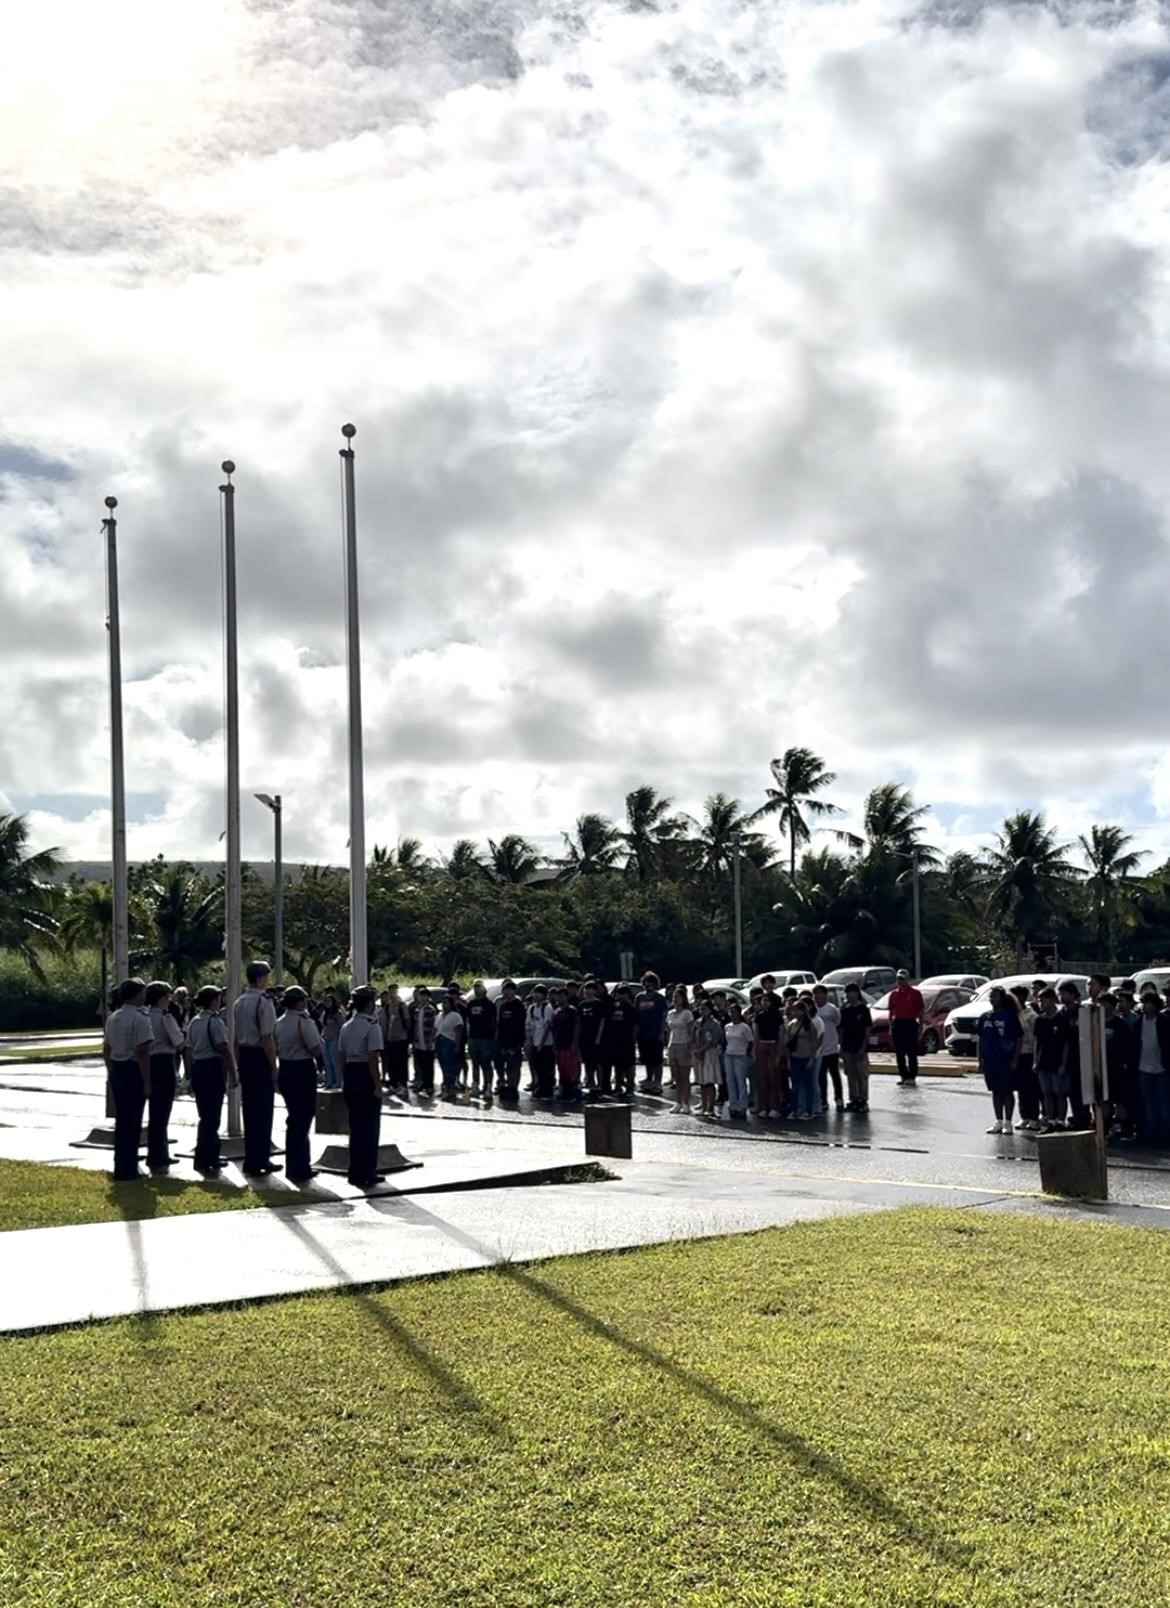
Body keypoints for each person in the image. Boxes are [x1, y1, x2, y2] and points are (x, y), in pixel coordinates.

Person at [103, 978, 154, 1181]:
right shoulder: (140, 1019)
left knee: (122, 1120)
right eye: (142, 993)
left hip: (117, 1069)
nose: (144, 996)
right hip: (133, 1069)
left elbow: (106, 1049)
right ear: (135, 995)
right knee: (133, 1122)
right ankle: (129, 1168)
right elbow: (142, 1052)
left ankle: (120, 1164)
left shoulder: (113, 1017)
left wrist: (111, 1070)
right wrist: (147, 1082)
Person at [232, 959, 279, 1176]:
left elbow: (236, 1037)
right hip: (260, 1055)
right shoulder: (264, 1002)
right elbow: (267, 1037)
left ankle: (252, 1158)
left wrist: (237, 1064)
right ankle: (261, 1158)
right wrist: (273, 1065)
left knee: (249, 1110)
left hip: (245, 1055)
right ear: (260, 979)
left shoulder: (239, 1002)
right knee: (263, 1110)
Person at [275, 986, 324, 1184]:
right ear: (300, 1002)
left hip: (285, 1069)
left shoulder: (279, 1022)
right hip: (302, 1069)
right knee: (303, 1118)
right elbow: (314, 1047)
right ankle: (300, 1166)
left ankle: (295, 1163)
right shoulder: (303, 1021)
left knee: (294, 1118)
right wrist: (322, 1064)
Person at [187, 984, 236, 1174]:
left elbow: (189, 1049)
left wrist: (191, 1073)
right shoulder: (215, 1022)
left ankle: (202, 1156)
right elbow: (224, 1048)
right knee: (212, 1117)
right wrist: (233, 1073)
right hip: (213, 1068)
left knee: (204, 1116)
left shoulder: (195, 1021)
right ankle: (210, 1157)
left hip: (199, 1068)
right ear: (214, 1001)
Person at [339, 984, 384, 1187]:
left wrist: (346, 1077)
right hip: (366, 1074)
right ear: (369, 1004)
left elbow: (341, 1055)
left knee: (355, 1127)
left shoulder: (346, 1026)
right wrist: (377, 1085)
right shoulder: (372, 1026)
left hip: (351, 1073)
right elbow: (373, 1059)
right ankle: (368, 1171)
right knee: (370, 1127)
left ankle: (354, 1170)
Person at [144, 981, 185, 1171]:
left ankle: (156, 1152)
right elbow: (178, 1041)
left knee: (154, 1111)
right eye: (168, 997)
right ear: (161, 998)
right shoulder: (165, 1018)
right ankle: (159, 1154)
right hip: (163, 1061)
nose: (170, 1000)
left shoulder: (143, 1016)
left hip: (148, 1062)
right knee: (162, 1111)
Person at [978, 986, 1021, 1134]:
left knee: (1007, 1091)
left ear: (1002, 998)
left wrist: (1015, 1059)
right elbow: (981, 1038)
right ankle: (998, 1120)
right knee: (995, 1091)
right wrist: (980, 1059)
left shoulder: (1010, 1016)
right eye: (991, 997)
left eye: (995, 996)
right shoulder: (985, 1017)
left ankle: (1008, 1122)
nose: (992, 999)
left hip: (1006, 1059)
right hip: (990, 1060)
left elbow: (1018, 1038)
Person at [1135, 990, 1170, 1144]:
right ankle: (1151, 1131)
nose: (1144, 1006)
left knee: (1163, 1102)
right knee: (1148, 1102)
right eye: (1143, 1003)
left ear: (1155, 1005)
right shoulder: (1138, 1023)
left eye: (1147, 1003)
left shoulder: (1164, 1022)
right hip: (1143, 1067)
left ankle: (1165, 1132)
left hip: (1161, 1067)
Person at [1033, 988, 1069, 1131]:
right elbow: (1037, 1042)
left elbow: (1067, 1043)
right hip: (1044, 1061)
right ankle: (1050, 1118)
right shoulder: (1040, 1020)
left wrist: (1063, 1064)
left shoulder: (1062, 1019)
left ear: (1053, 1000)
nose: (1041, 1003)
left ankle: (1061, 1119)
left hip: (1058, 1060)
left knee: (1060, 1092)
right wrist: (1035, 1061)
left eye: (1044, 1000)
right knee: (1046, 1091)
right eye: (1039, 1000)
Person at [1008, 985, 1041, 1132]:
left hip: (1029, 1054)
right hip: (1017, 1054)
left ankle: (1034, 1117)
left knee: (1031, 1088)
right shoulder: (1013, 1014)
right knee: (1021, 1088)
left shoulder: (1031, 1015)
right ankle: (1024, 1116)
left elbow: (1036, 1038)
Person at [1058, 982, 1091, 1130]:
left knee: (1082, 1091)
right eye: (1060, 994)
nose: (1061, 997)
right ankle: (1075, 1118)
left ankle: (1083, 1118)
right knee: (1069, 1091)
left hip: (1082, 1057)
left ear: (1073, 995)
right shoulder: (1061, 1013)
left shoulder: (1082, 1012)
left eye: (1064, 993)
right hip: (1066, 1058)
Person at [751, 977, 783, 1119]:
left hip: (773, 1045)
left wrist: (779, 1053)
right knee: (762, 1078)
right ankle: (765, 1106)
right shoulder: (759, 1017)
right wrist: (754, 1051)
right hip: (762, 1046)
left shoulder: (778, 1016)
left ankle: (774, 1106)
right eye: (762, 1000)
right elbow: (756, 1035)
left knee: (773, 1077)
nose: (764, 1003)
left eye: (766, 1000)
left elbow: (781, 1034)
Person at [787, 997, 823, 1120]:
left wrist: (812, 1058)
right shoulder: (792, 1024)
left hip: (806, 1057)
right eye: (794, 1010)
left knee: (808, 1085)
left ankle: (809, 1110)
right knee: (796, 1085)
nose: (795, 1013)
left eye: (798, 1010)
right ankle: (796, 1109)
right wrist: (788, 1060)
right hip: (795, 1057)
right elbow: (789, 1044)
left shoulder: (810, 1025)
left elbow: (813, 1042)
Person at [839, 983, 873, 1114]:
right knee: (850, 1074)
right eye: (847, 992)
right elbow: (841, 1029)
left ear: (857, 993)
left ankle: (863, 1100)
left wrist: (864, 1047)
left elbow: (867, 1029)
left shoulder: (863, 1009)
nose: (849, 995)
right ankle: (853, 1099)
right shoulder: (845, 1010)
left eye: (852, 992)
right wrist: (841, 1046)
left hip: (860, 1046)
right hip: (847, 1046)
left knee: (862, 1075)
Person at [888, 970, 924, 1087]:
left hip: (910, 1023)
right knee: (899, 1052)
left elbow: (920, 1010)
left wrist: (921, 1025)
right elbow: (891, 1011)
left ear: (907, 979)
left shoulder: (915, 993)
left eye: (902, 979)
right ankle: (903, 1075)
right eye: (898, 979)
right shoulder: (894, 994)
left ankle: (912, 1076)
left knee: (911, 1051)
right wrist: (890, 1025)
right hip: (898, 1023)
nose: (900, 981)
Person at [635, 973, 668, 1095]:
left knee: (657, 1059)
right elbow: (637, 1015)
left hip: (655, 1032)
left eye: (651, 983)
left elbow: (664, 1016)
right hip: (643, 1033)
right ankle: (649, 1079)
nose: (648, 985)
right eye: (646, 982)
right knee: (647, 1058)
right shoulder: (639, 997)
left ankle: (657, 1082)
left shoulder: (659, 998)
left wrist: (661, 1032)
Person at [465, 981, 498, 1100]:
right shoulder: (471, 1003)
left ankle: (488, 1086)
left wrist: (494, 1038)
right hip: (474, 1037)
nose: (476, 989)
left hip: (486, 1038)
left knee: (486, 1063)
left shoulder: (490, 1004)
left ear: (484, 989)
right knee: (475, 1063)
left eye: (479, 987)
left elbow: (494, 1022)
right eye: (474, 987)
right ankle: (475, 1085)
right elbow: (468, 1020)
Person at [495, 979, 527, 1102]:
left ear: (514, 991)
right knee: (505, 1066)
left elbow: (521, 1025)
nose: (507, 992)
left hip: (515, 1041)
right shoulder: (502, 1006)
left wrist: (520, 1041)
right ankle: (507, 1087)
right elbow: (500, 1024)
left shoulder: (519, 1006)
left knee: (514, 1066)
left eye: (509, 990)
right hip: (503, 1041)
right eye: (505, 990)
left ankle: (514, 1088)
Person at [813, 984, 843, 1112]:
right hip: (819, 1049)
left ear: (826, 995)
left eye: (821, 993)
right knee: (821, 1076)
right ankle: (823, 1100)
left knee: (835, 1074)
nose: (818, 996)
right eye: (816, 994)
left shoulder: (832, 1009)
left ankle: (839, 1098)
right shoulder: (813, 1010)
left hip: (831, 1047)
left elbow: (838, 1023)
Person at [666, 986, 695, 1114]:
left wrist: (691, 1046)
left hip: (684, 1044)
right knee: (676, 1077)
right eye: (674, 998)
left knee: (685, 1077)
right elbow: (668, 1030)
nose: (675, 1000)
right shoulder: (670, 1013)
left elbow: (691, 1031)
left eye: (677, 997)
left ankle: (686, 1103)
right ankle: (678, 1102)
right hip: (673, 1044)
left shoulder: (687, 1013)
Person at [693, 999, 725, 1118]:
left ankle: (710, 1107)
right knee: (702, 1082)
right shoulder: (697, 1022)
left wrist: (700, 1050)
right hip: (699, 1054)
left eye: (705, 1009)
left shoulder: (714, 1024)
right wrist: (696, 1050)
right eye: (700, 1009)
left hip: (709, 1054)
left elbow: (712, 1041)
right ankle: (704, 1106)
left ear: (710, 1010)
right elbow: (693, 1037)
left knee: (709, 1082)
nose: (702, 1011)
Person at [377, 985, 410, 1096]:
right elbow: (385, 1023)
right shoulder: (387, 1007)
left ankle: (403, 1085)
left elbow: (407, 1021)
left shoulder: (402, 1006)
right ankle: (393, 1084)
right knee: (391, 1063)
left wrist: (407, 1037)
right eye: (390, 992)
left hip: (401, 1038)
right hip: (390, 1039)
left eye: (394, 992)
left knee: (402, 1063)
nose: (392, 995)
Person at [525, 985, 556, 1100]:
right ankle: (540, 1087)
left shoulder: (547, 1008)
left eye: (538, 993)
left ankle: (547, 1090)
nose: (536, 995)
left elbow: (547, 1026)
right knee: (537, 1067)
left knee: (546, 1068)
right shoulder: (532, 1008)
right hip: (534, 1042)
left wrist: (541, 1043)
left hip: (546, 1043)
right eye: (534, 993)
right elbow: (528, 1025)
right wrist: (529, 1040)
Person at [723, 1001, 753, 1119]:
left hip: (740, 1055)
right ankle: (733, 1105)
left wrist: (746, 1052)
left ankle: (742, 1106)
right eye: (730, 1012)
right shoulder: (727, 1026)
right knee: (730, 1081)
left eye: (734, 1012)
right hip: (729, 1055)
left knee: (741, 1082)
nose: (731, 1014)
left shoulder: (744, 1027)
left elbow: (750, 1041)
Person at [608, 985, 638, 1099]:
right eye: (619, 994)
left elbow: (636, 1025)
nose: (621, 996)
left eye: (623, 994)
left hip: (627, 1040)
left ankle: (630, 1087)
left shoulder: (631, 1009)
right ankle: (618, 1086)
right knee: (617, 1065)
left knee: (629, 1066)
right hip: (616, 1040)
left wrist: (633, 1040)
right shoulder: (614, 1007)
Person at [577, 981, 607, 1097]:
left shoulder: (599, 1004)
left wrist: (598, 1037)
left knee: (598, 1062)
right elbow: (579, 1022)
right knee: (588, 1062)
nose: (588, 991)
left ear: (595, 991)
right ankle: (591, 1084)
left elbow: (602, 1021)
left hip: (596, 1037)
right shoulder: (581, 1005)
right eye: (586, 989)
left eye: (590, 989)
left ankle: (600, 1085)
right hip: (584, 1038)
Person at [552, 988, 582, 1103]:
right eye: (558, 996)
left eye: (562, 996)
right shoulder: (556, 1012)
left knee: (571, 1070)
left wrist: (574, 1043)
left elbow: (577, 1026)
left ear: (567, 997)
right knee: (562, 1069)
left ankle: (574, 1093)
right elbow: (554, 1029)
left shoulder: (572, 1011)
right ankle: (564, 1092)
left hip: (570, 1044)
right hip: (559, 1044)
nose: (560, 998)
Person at [435, 995, 465, 1099]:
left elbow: (458, 1032)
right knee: (443, 1067)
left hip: (449, 1042)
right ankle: (445, 1088)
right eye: (443, 1003)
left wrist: (457, 1046)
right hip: (439, 1042)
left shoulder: (455, 1016)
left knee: (450, 1067)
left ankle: (451, 1089)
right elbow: (435, 1029)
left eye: (446, 1003)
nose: (444, 1005)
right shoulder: (439, 1015)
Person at [409, 986, 438, 1097]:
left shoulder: (431, 1009)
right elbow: (415, 1026)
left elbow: (433, 1026)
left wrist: (431, 1040)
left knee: (428, 1065)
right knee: (420, 1064)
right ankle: (422, 1084)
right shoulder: (417, 1009)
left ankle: (429, 1085)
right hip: (418, 1041)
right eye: (420, 996)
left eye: (424, 996)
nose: (422, 998)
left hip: (427, 1041)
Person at [319, 988, 344, 1090]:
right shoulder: (324, 1014)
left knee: (335, 1063)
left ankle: (338, 1082)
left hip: (335, 1039)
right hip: (326, 1040)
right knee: (327, 1063)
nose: (327, 1003)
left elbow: (342, 1025)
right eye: (325, 1001)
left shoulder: (337, 1013)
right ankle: (329, 1081)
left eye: (329, 1001)